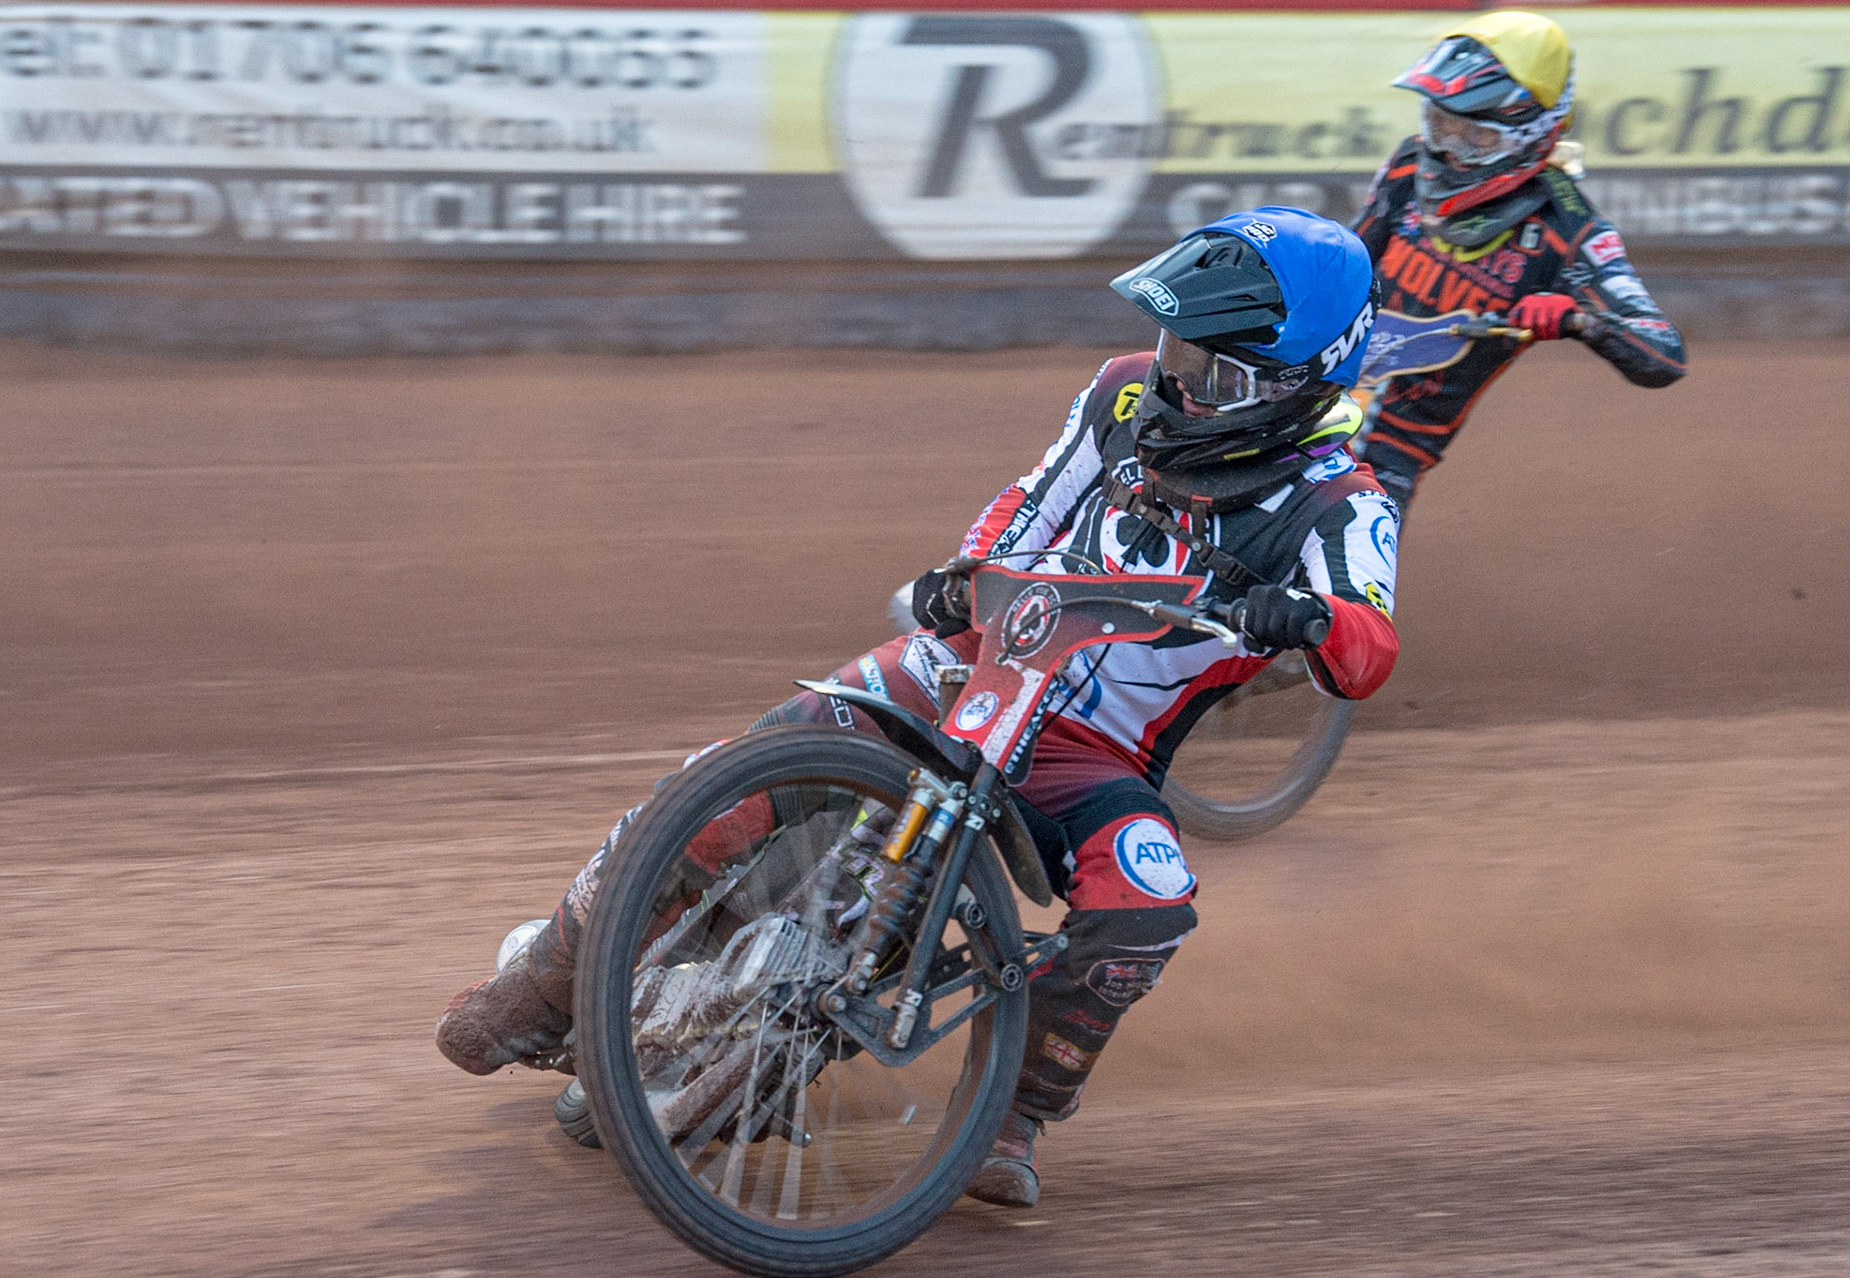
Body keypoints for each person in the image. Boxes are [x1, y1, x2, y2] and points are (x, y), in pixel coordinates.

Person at [435, 207, 1405, 1208]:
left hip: (1094, 752)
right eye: (1178, 352)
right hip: (973, 666)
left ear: (1295, 383)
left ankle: (1011, 1118)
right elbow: (1029, 502)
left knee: (1147, 907)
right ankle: (549, 981)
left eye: (1214, 373)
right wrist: (965, 572)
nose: (1178, 383)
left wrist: (1299, 613)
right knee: (740, 777)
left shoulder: (1341, 501)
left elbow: (1368, 650)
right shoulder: (1123, 394)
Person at [1351, 10, 1686, 515]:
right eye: (1441, 125)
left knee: (1336, 591)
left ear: (1535, 130)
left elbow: (1664, 357)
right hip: (1301, 399)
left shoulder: (1573, 233)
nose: (1453, 152)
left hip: (1383, 461)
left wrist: (1578, 320)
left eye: (1478, 136)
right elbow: (1346, 263)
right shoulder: (1408, 164)